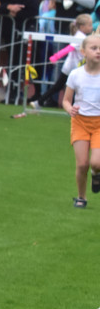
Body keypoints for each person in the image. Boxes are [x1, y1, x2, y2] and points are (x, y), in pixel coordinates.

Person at [59, 33, 100, 206]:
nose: (98, 52)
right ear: (83, 52)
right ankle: (81, 197)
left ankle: (96, 174)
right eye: (94, 48)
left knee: (96, 163)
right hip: (80, 122)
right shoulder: (76, 74)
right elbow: (66, 101)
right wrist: (70, 109)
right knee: (82, 164)